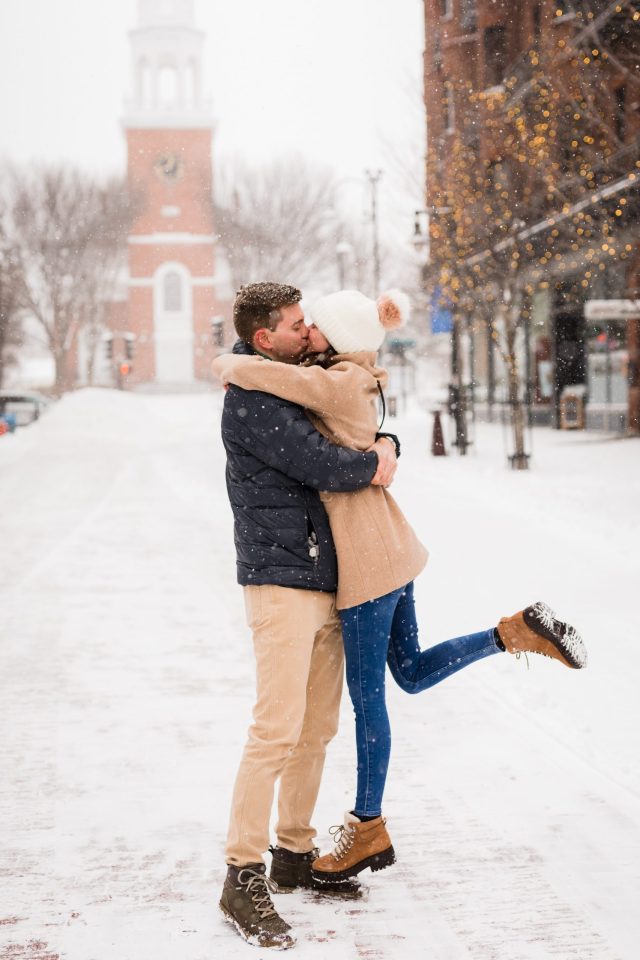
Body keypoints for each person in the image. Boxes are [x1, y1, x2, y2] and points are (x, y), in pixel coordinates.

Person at [213, 287, 588, 887]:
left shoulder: (328, 380)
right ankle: (512, 633)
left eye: (312, 326)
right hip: (385, 549)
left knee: (368, 702)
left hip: (364, 562)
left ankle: (367, 826)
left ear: (333, 339)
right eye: (297, 324)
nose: (305, 330)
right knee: (407, 672)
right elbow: (343, 436)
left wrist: (231, 365)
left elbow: (326, 453)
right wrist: (384, 446)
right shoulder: (352, 375)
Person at [216, 282, 400, 950]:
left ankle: (292, 852)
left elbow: (357, 412)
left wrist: (385, 441)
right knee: (275, 729)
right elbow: (321, 461)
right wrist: (375, 460)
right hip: (280, 581)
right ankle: (242, 871)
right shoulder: (252, 400)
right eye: (297, 325)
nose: (308, 330)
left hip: (326, 578)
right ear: (266, 338)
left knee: (316, 728)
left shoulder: (296, 378)